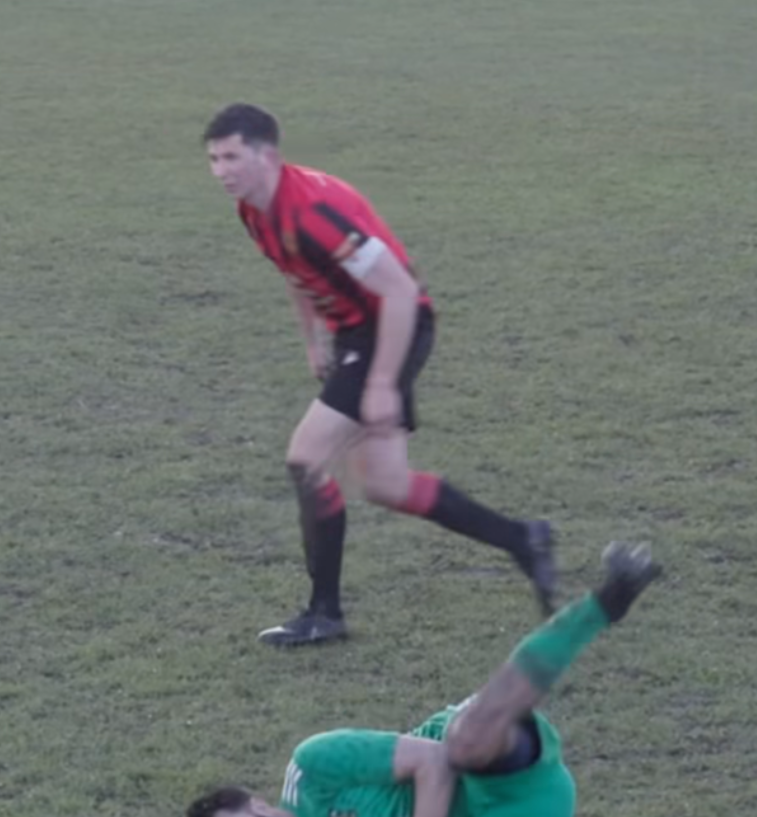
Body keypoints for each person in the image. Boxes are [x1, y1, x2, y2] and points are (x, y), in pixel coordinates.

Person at [184, 542, 659, 817]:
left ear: (259, 805)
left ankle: (602, 605)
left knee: (462, 741)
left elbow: (433, 761)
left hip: (494, 769)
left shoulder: (314, 768)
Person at [204, 102, 556, 646]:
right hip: (357, 332)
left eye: (232, 157)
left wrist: (381, 383)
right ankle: (523, 539)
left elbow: (400, 291)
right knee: (386, 484)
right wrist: (313, 339)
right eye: (213, 159)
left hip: (393, 326)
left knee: (306, 458)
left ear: (266, 155)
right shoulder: (254, 209)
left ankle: (324, 613)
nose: (221, 171)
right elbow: (294, 272)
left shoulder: (313, 212)